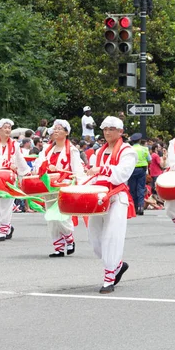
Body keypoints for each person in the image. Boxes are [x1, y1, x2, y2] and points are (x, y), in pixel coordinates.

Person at [85, 116, 137, 293]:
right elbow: (94, 175)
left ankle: (109, 279)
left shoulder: (128, 151)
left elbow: (121, 175)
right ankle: (117, 265)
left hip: (116, 197)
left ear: (120, 132)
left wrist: (101, 170)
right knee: (95, 241)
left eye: (111, 129)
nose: (107, 132)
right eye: (105, 129)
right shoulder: (99, 152)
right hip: (98, 197)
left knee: (112, 237)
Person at [33, 120, 85, 257]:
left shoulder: (72, 150)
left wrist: (78, 182)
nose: (56, 131)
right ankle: (59, 247)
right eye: (54, 128)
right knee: (50, 217)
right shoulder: (47, 149)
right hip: (48, 186)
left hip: (64, 186)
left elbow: (77, 169)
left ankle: (69, 238)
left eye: (60, 128)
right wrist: (41, 168)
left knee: (62, 216)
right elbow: (39, 164)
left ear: (66, 133)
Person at [0, 119, 31, 242]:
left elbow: (19, 159)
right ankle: (8, 226)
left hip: (9, 177)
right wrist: (7, 164)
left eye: (9, 128)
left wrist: (26, 173)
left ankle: (3, 231)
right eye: (5, 127)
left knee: (6, 203)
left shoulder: (15, 144)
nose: (7, 130)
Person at [128, 133, 151, 216]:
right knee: (141, 188)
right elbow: (149, 159)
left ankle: (134, 207)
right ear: (140, 140)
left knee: (132, 189)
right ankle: (140, 207)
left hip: (131, 170)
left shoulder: (129, 149)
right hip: (142, 170)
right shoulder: (144, 149)